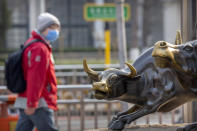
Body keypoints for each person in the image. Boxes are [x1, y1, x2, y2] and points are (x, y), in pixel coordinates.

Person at [14, 12, 60, 131]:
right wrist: (32, 103)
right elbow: (36, 77)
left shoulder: (32, 43)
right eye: (53, 28)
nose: (56, 31)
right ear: (44, 28)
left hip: (29, 97)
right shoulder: (40, 48)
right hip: (39, 100)